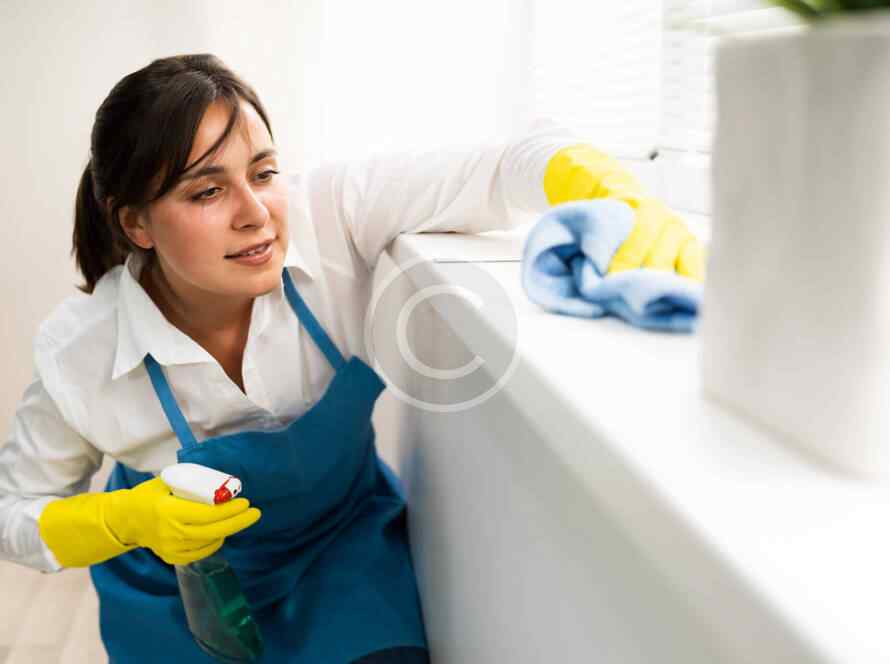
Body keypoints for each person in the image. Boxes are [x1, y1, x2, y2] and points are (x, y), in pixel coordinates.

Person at [0, 53, 703, 663]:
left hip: (338, 551)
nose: (255, 213)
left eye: (263, 172)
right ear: (135, 223)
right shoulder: (81, 352)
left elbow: (500, 167)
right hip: (182, 594)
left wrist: (609, 191)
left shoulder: (327, 216)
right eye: (208, 191)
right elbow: (14, 512)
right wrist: (123, 521)